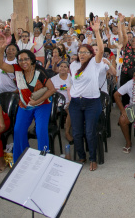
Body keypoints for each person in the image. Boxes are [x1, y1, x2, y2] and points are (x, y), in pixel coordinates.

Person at [0, 36, 56, 162]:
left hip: (42, 104)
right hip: (24, 105)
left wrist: (36, 101)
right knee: (18, 130)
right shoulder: (17, 69)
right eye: (20, 59)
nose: (23, 62)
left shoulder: (39, 72)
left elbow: (52, 89)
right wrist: (1, 50)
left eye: (26, 59)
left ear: (32, 60)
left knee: (40, 130)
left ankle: (44, 157)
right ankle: (22, 157)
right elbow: (0, 64)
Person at [69, 17, 104, 171]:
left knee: (90, 131)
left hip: (92, 103)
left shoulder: (94, 64)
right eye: (80, 52)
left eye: (85, 52)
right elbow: (73, 84)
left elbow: (101, 50)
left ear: (90, 54)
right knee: (77, 132)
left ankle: (93, 158)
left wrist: (96, 32)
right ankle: (81, 155)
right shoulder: (73, 65)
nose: (82, 54)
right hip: (76, 102)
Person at [50, 61, 72, 142]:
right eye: (61, 66)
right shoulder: (53, 79)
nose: (62, 68)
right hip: (58, 102)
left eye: (65, 67)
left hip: (70, 101)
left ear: (68, 69)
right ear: (58, 68)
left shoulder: (72, 77)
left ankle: (67, 132)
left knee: (71, 111)